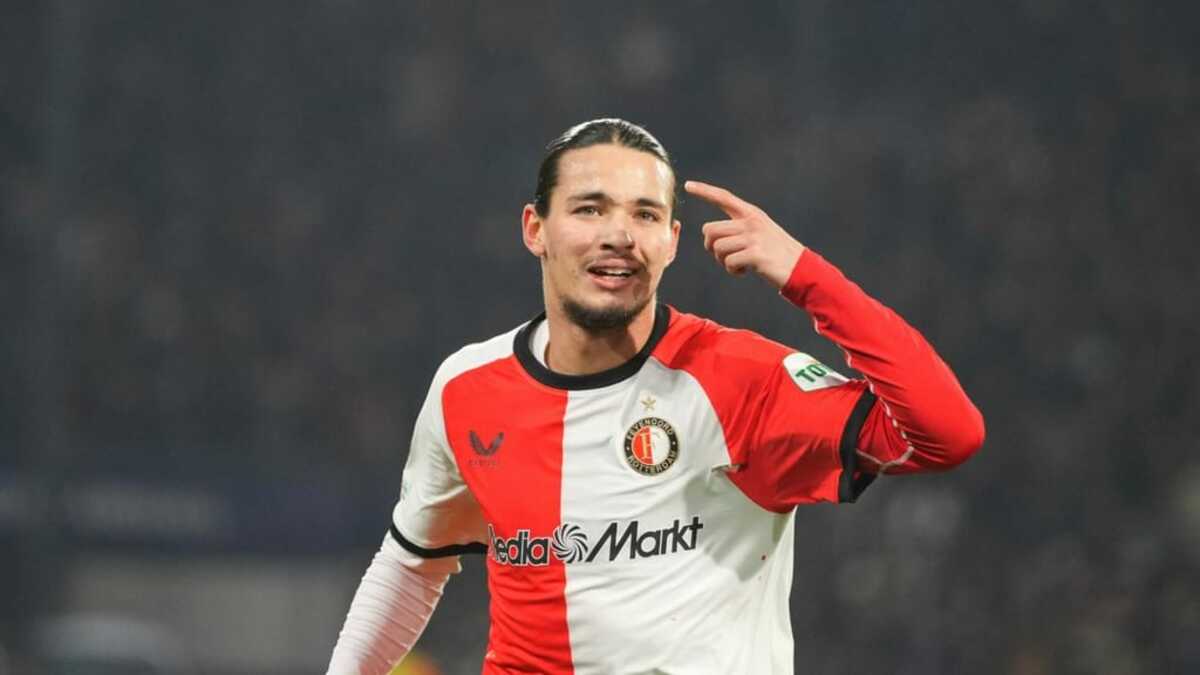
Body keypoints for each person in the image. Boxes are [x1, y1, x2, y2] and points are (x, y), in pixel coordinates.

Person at [326, 118, 984, 674]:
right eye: (590, 208)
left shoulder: (739, 381)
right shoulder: (467, 387)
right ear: (535, 228)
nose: (619, 233)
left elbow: (947, 433)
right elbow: (412, 564)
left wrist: (807, 276)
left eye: (644, 214)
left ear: (671, 242)